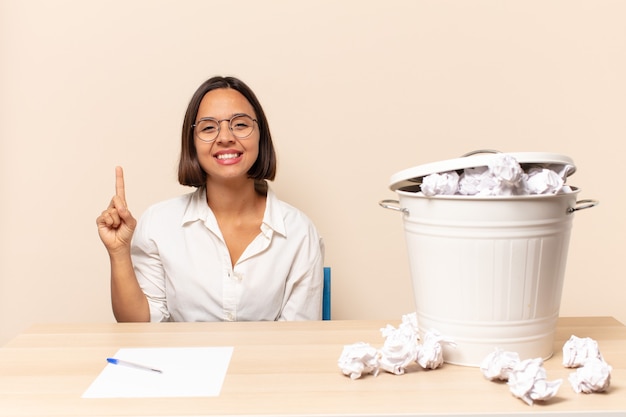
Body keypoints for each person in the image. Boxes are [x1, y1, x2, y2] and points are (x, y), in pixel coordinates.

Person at [96, 76, 324, 323]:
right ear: (192, 143)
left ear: (261, 135)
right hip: (181, 363)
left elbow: (298, 340)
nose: (225, 137)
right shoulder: (158, 223)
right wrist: (119, 253)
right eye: (208, 127)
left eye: (240, 125)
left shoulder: (299, 232)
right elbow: (140, 328)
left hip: (267, 363)